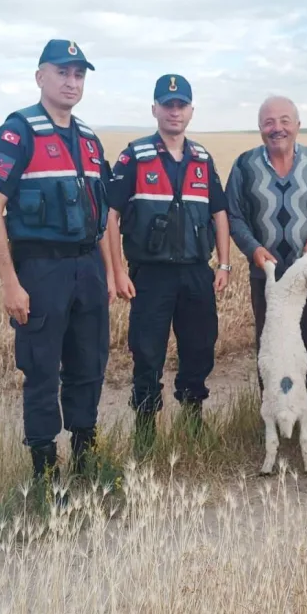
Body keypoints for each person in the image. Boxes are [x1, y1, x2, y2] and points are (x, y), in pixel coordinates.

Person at [0, 39, 114, 483]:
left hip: (87, 267)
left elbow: (106, 213)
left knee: (89, 364)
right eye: (62, 72)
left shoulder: (90, 140)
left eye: (79, 74)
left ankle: (86, 458)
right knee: (41, 369)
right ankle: (44, 472)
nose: (72, 82)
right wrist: (10, 283)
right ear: (40, 77)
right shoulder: (19, 131)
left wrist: (111, 272)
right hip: (41, 269)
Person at [104, 73, 232, 452]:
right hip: (152, 275)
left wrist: (223, 265)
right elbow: (110, 214)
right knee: (147, 353)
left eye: (181, 105)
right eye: (167, 104)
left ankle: (193, 422)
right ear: (155, 109)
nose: (174, 112)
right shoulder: (135, 156)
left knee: (199, 348)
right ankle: (145, 432)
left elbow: (219, 213)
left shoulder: (202, 159)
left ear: (191, 111)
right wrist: (118, 271)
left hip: (196, 273)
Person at [225, 95, 307, 451]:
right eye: (268, 122)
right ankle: (279, 423)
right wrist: (252, 248)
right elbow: (233, 216)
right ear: (259, 127)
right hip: (269, 282)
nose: (276, 128)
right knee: (274, 352)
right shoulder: (244, 166)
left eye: (284, 120)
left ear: (297, 125)